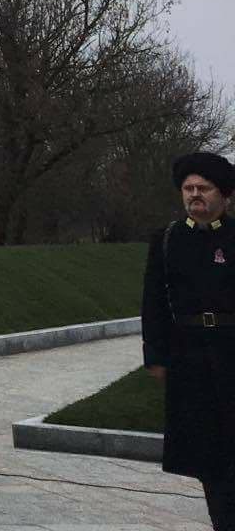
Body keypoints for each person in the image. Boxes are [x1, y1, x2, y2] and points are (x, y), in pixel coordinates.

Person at [145, 152, 235, 531]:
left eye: (204, 188)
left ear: (224, 195)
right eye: (188, 188)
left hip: (231, 354)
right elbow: (153, 302)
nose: (195, 194)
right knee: (205, 453)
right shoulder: (168, 240)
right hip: (189, 360)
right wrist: (156, 356)